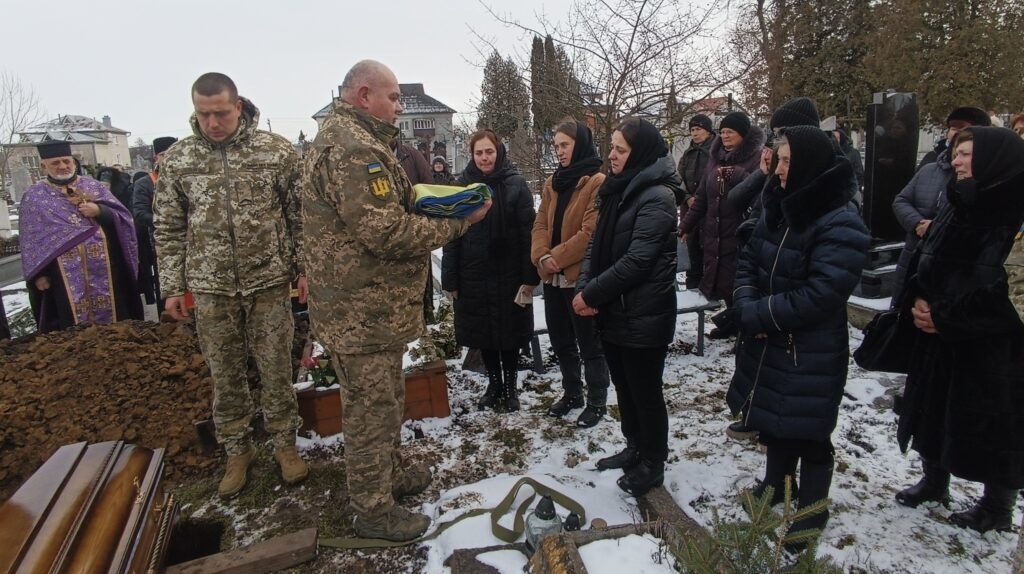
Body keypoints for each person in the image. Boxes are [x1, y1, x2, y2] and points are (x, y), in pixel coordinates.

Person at [301, 60, 490, 542]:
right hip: (360, 310)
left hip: (369, 306)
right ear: (364, 95)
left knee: (385, 400)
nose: (400, 107)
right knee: (369, 411)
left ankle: (390, 476)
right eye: (394, 98)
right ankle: (372, 510)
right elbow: (384, 232)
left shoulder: (354, 139)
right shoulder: (353, 148)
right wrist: (459, 223)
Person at [154, 73, 308, 499]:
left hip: (268, 281)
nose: (212, 122)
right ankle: (237, 452)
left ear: (238, 107)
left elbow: (298, 215)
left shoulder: (274, 152)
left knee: (276, 367)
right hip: (212, 286)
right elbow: (168, 226)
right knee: (225, 374)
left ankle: (284, 445)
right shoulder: (180, 160)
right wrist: (171, 287)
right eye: (204, 114)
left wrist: (304, 269)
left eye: (220, 112)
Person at [726, 127, 869, 549]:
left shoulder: (841, 220)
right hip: (770, 337)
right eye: (777, 159)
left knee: (810, 432)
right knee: (775, 420)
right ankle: (773, 487)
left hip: (809, 350)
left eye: (787, 161)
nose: (778, 168)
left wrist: (758, 314)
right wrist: (749, 307)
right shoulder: (780, 204)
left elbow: (822, 293)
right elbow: (749, 259)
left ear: (809, 163)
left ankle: (809, 512)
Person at [894, 127, 1024, 534]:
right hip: (937, 334)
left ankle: (997, 507)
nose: (957, 161)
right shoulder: (956, 198)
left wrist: (948, 316)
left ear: (994, 157)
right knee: (933, 407)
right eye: (955, 153)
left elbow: (1012, 291)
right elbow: (927, 254)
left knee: (995, 423)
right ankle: (934, 482)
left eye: (966, 153)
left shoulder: (1015, 207)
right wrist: (917, 295)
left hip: (992, 346)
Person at [574, 117, 678, 497]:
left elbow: (638, 260)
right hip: (615, 310)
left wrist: (591, 294)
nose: (612, 155)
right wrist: (586, 285)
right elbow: (594, 247)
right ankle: (634, 446)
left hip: (644, 313)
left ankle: (653, 461)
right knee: (626, 386)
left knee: (645, 391)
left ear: (640, 153)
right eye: (612, 147)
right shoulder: (618, 189)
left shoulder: (658, 196)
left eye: (620, 149)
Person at [443, 129, 538, 412]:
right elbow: (452, 235)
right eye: (479, 153)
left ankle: (510, 387)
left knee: (509, 333)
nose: (484, 158)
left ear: (498, 152)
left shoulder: (515, 184)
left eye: (489, 152)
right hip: (474, 272)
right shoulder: (463, 186)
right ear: (471, 156)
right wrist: (451, 279)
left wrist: (529, 277)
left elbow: (527, 233)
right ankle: (493, 383)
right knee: (484, 332)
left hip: (509, 272)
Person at [531, 118, 610, 427]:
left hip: (579, 278)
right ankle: (572, 393)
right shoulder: (553, 182)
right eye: (556, 146)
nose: (559, 151)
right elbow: (539, 224)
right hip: (552, 278)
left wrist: (556, 258)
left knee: (589, 343)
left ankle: (596, 399)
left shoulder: (596, 182)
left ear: (580, 145)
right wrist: (540, 257)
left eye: (564, 145)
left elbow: (590, 232)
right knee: (561, 340)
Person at [20, 141, 144, 333]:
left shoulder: (93, 187)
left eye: (66, 161)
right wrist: (39, 274)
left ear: (73, 162)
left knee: (115, 321)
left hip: (106, 267)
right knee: (70, 324)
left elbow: (124, 218)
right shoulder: (35, 196)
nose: (62, 166)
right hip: (61, 274)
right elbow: (31, 240)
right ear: (43, 166)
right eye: (55, 163)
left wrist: (100, 210)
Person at [678, 111, 765, 339]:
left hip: (739, 232)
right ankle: (732, 325)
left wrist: (738, 175)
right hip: (714, 233)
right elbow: (702, 199)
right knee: (724, 283)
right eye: (723, 131)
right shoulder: (714, 159)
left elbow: (759, 196)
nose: (725, 136)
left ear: (743, 135)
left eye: (731, 132)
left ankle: (742, 327)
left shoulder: (755, 159)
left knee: (739, 283)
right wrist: (684, 226)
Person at [891, 107, 990, 299]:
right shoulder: (929, 168)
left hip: (950, 270)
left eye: (963, 127)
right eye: (952, 127)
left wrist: (936, 228)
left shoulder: (986, 178)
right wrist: (917, 223)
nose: (955, 132)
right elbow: (901, 200)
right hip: (914, 252)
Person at [133, 136, 177, 306]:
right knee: (168, 292)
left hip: (195, 245)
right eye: (164, 154)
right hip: (162, 245)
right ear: (156, 158)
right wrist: (170, 222)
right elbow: (139, 213)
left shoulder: (190, 179)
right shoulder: (144, 183)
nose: (169, 158)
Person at [676, 114, 715, 290]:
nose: (694, 133)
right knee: (692, 251)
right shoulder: (687, 154)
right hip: (690, 210)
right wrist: (687, 198)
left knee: (709, 250)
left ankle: (708, 290)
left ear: (707, 131)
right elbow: (678, 178)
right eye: (692, 129)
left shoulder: (716, 151)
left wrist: (701, 199)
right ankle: (692, 288)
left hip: (709, 210)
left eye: (698, 129)